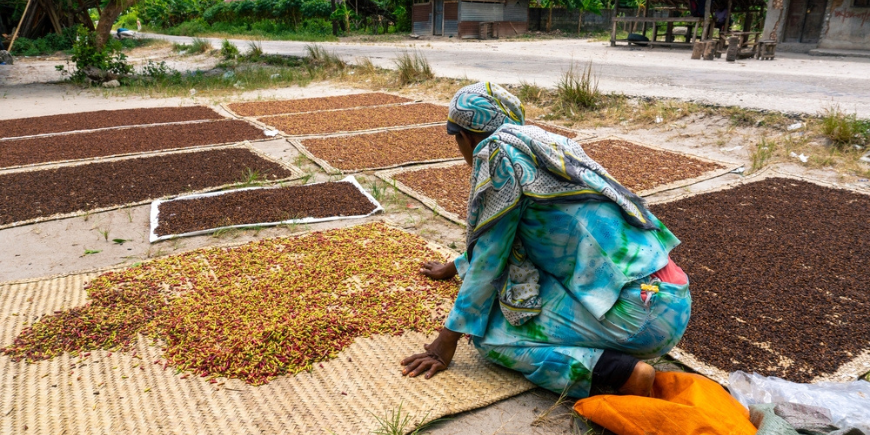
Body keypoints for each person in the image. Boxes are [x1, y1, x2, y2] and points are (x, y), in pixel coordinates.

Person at [400, 82, 692, 398]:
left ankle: (617, 375)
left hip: (639, 317)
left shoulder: (497, 156)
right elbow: (508, 235)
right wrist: (455, 266)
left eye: (457, 139)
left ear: (465, 136)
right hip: (669, 295)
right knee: (518, 295)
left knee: (490, 335)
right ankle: (617, 357)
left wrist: (447, 340)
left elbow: (490, 256)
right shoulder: (541, 143)